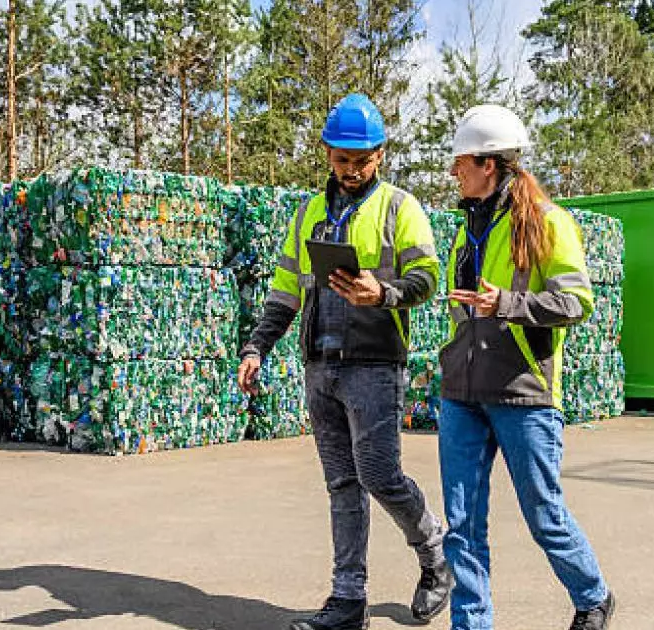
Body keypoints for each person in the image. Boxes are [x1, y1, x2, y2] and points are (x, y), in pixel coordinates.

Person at [237, 93, 452, 630]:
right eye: (342, 159)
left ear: (380, 154)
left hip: (375, 365)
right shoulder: (309, 212)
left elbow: (427, 278)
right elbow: (286, 290)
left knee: (380, 475)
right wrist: (256, 347)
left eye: (362, 159)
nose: (352, 170)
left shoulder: (400, 207)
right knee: (341, 485)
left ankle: (436, 556)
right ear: (328, 153)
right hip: (320, 366)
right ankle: (347, 600)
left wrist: (381, 293)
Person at [437, 104, 615, 630]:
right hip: (462, 395)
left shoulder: (545, 222)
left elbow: (577, 302)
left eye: (460, 162)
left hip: (524, 393)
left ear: (488, 165)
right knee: (462, 523)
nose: (454, 172)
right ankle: (471, 624)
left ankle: (592, 595)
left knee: (544, 515)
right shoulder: (466, 227)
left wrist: (509, 305)